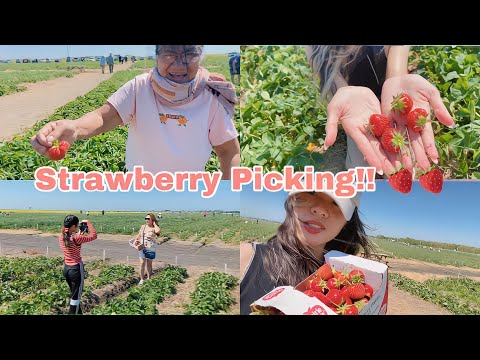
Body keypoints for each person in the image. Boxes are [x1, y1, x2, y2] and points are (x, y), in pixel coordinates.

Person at [30, 45, 240, 179]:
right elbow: (105, 117)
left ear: (200, 55)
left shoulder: (211, 95)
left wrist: (227, 191)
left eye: (189, 53)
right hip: (139, 184)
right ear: (157, 55)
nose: (179, 63)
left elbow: (229, 151)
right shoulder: (140, 87)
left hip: (189, 188)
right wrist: (74, 127)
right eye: (169, 53)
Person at [304, 46, 455, 176]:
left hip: (390, 100)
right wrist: (345, 96)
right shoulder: (317, 48)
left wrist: (396, 92)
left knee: (408, 162)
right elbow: (339, 86)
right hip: (358, 107)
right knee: (358, 168)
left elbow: (395, 78)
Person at [239, 189, 375, 315]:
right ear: (291, 199)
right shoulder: (246, 258)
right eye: (311, 192)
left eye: (336, 203)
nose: (320, 209)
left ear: (347, 221)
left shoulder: (345, 277)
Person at [59, 215, 98, 314]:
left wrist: (80, 233)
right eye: (77, 225)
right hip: (76, 269)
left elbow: (73, 238)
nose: (77, 227)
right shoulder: (77, 237)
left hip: (67, 269)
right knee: (76, 298)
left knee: (74, 294)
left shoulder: (62, 236)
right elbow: (94, 236)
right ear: (73, 226)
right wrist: (88, 223)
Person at [133, 213, 160, 284]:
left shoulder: (154, 228)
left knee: (149, 264)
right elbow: (138, 235)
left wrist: (155, 224)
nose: (146, 220)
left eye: (148, 219)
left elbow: (157, 231)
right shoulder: (143, 226)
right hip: (142, 246)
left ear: (152, 220)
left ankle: (149, 278)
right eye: (146, 219)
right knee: (142, 263)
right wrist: (135, 241)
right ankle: (141, 279)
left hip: (150, 247)